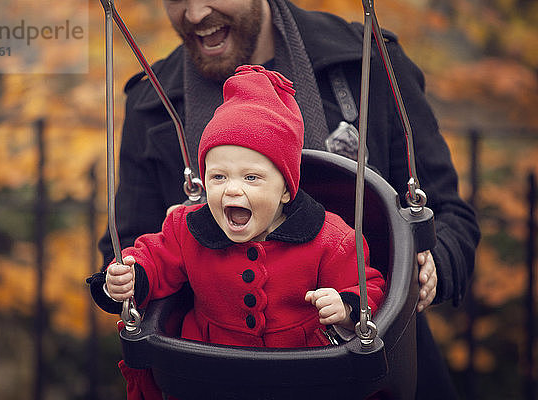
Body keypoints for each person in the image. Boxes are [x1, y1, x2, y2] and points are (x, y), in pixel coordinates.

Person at [94, 0, 480, 398]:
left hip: (360, 368)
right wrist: (139, 268)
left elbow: (449, 214)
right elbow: (125, 247)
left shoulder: (365, 59)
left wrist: (428, 267)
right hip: (212, 370)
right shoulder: (153, 100)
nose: (194, 14)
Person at [89, 66, 386, 399]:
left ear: (286, 190)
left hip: (301, 373)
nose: (231, 190)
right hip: (209, 370)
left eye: (251, 178)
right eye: (218, 177)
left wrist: (345, 307)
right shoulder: (188, 229)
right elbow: (154, 257)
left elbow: (368, 285)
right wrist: (129, 277)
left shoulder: (330, 238)